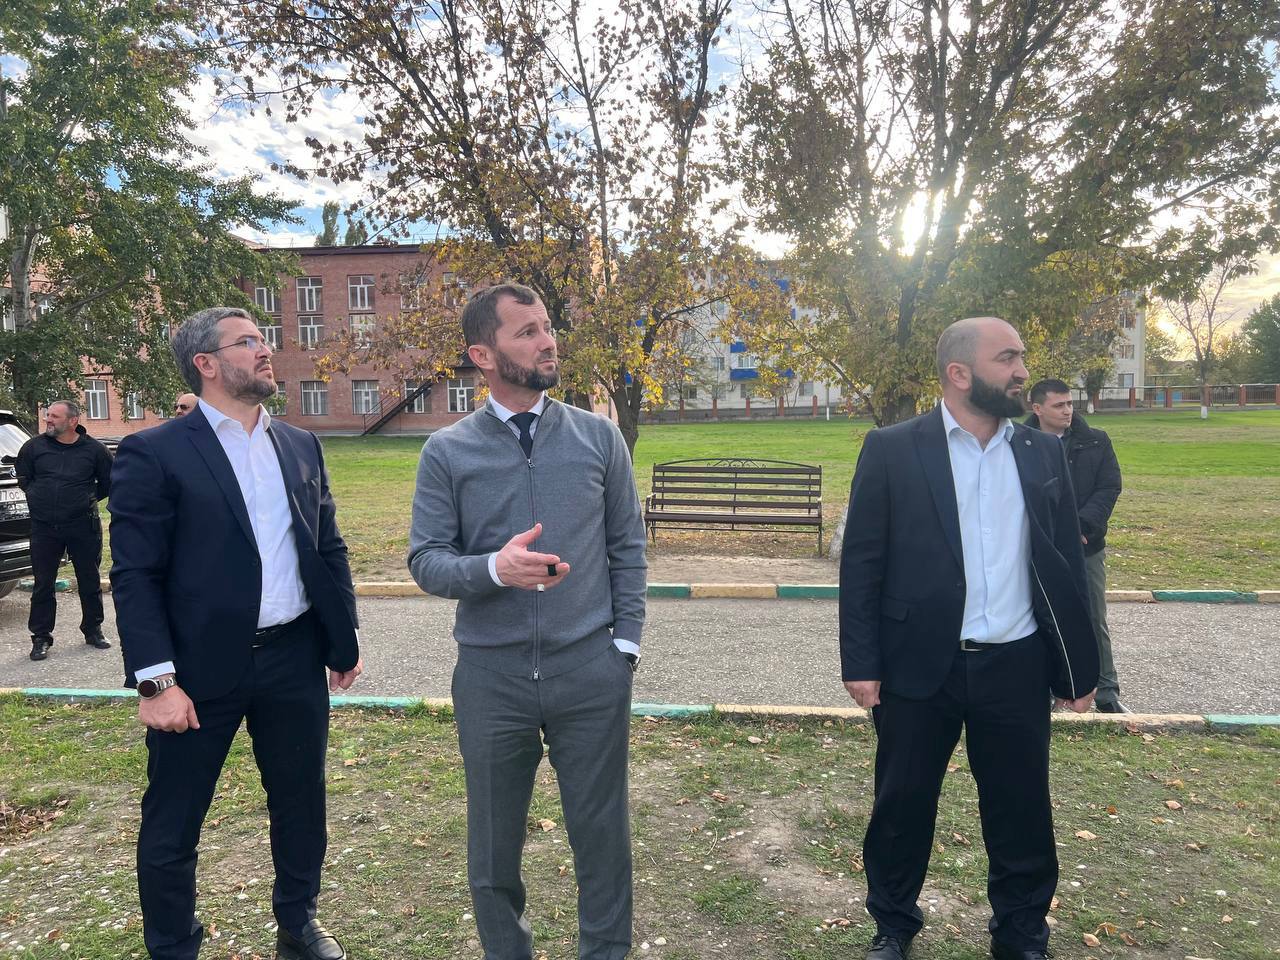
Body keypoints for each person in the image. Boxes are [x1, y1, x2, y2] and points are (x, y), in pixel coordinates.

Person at [839, 317, 1099, 960]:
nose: (1021, 372)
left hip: (1016, 665)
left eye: (1021, 357)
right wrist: (861, 661)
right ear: (959, 374)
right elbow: (863, 562)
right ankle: (893, 926)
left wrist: (1078, 668)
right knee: (901, 806)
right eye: (1007, 358)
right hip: (917, 666)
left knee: (1020, 808)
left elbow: (1065, 563)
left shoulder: (1041, 452)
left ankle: (1021, 933)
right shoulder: (893, 448)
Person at [108, 307, 363, 960]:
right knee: (174, 820)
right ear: (207, 363)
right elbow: (135, 574)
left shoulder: (299, 444)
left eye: (262, 338)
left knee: (301, 803)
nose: (264, 348)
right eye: (247, 341)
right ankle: (174, 946)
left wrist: (343, 639)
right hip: (195, 672)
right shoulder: (154, 452)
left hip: (293, 658)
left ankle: (298, 925)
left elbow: (326, 546)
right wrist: (156, 681)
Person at [408, 282, 647, 960]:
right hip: (491, 678)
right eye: (527, 332)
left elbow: (628, 548)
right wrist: (494, 569)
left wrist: (624, 646)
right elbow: (426, 560)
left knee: (602, 835)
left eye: (547, 327)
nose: (547, 341)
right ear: (482, 355)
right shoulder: (447, 451)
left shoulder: (598, 437)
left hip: (590, 671)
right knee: (493, 847)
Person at [1026, 379, 1128, 713]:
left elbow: (1109, 486)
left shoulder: (1095, 440)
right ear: (1037, 408)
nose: (1068, 410)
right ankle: (1045, 689)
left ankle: (1106, 693)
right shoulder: (1020, 444)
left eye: (1070, 403)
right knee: (1039, 618)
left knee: (1093, 617)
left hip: (1086, 546)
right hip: (1038, 549)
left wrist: (1082, 526)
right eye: (1059, 405)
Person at [15, 399, 113, 661]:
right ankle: (40, 637)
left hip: (83, 524)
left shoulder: (95, 450)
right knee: (43, 582)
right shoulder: (33, 447)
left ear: (73, 421)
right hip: (44, 526)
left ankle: (93, 629)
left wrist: (85, 499)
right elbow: (24, 476)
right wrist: (36, 495)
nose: (48, 420)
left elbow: (108, 481)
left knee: (89, 579)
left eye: (54, 416)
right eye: (48, 415)